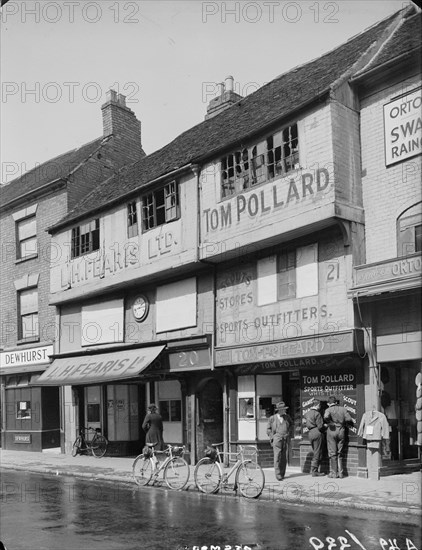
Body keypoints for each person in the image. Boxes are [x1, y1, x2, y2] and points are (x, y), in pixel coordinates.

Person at [323, 396, 352, 478]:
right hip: (341, 431)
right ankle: (341, 473)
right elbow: (349, 419)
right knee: (340, 453)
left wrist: (330, 422)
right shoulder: (343, 409)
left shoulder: (328, 409)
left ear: (328, 403)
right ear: (336, 402)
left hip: (332, 430)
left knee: (332, 453)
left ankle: (334, 473)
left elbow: (325, 417)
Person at [267, 401, 293, 481]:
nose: (284, 411)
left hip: (285, 438)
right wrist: (272, 437)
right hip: (277, 439)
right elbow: (268, 429)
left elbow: (291, 425)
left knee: (284, 457)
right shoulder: (273, 418)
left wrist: (288, 433)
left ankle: (282, 473)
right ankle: (278, 475)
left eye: (285, 409)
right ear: (279, 410)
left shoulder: (287, 417)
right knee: (277, 456)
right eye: (283, 409)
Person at [304, 399, 326, 477]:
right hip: (317, 432)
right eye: (319, 405)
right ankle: (314, 471)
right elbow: (320, 426)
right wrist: (325, 426)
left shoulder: (307, 413)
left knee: (315, 450)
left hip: (310, 433)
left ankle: (314, 469)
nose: (320, 407)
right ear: (317, 405)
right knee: (317, 452)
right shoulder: (317, 414)